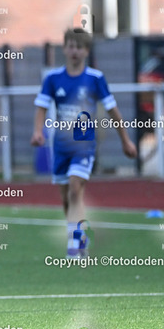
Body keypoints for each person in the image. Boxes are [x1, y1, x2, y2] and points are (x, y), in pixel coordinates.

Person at [31, 28, 137, 258]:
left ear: (86, 51)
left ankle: (75, 243)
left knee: (75, 188)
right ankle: (79, 235)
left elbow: (113, 110)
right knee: (66, 198)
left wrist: (126, 141)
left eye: (79, 47)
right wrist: (38, 132)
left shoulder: (95, 79)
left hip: (83, 145)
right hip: (61, 146)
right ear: (64, 48)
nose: (74, 51)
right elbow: (41, 107)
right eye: (71, 46)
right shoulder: (53, 79)